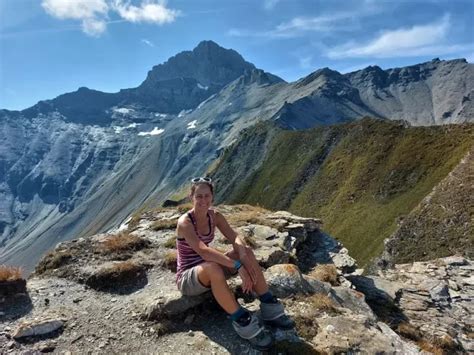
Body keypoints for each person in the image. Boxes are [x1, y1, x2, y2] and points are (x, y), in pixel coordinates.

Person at [175, 177, 294, 350]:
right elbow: (203, 251)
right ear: (191, 197)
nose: (203, 200)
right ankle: (242, 321)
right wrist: (237, 266)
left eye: (207, 196)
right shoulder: (185, 222)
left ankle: (269, 305)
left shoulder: (214, 216)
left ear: (212, 196)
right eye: (199, 196)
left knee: (246, 252)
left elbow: (235, 237)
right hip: (188, 278)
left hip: (207, 268)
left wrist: (243, 254)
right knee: (214, 267)